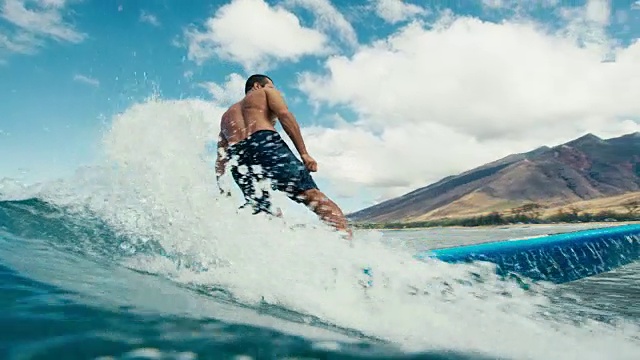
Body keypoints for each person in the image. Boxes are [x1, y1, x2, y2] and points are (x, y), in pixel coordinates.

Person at [215, 74, 352, 239]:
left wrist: (223, 188)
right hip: (264, 143)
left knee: (263, 210)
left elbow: (221, 157)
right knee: (314, 198)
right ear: (257, 85)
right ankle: (349, 249)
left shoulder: (226, 116)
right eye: (271, 85)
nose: (273, 88)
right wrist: (304, 154)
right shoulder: (265, 92)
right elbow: (285, 115)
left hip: (239, 156)